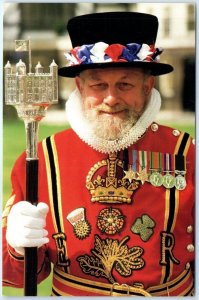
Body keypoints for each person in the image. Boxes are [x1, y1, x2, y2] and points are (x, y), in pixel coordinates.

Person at [2, 11, 195, 296]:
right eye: (98, 85)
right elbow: (16, 277)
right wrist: (17, 247)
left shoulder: (186, 152)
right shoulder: (42, 158)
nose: (111, 98)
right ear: (79, 87)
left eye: (125, 84)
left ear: (147, 87)